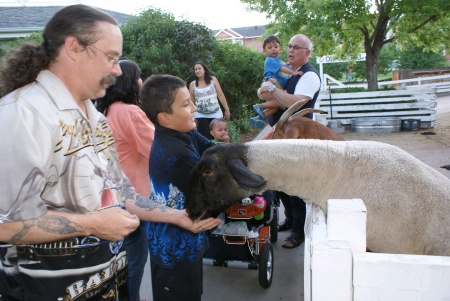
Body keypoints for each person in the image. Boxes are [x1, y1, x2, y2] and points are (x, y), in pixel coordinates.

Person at [0, 5, 141, 300]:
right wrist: (92, 224)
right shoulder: (22, 114)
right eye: (111, 57)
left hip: (102, 283)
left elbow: (120, 194)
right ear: (74, 47)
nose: (117, 69)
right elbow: (4, 224)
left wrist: (178, 215)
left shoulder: (97, 118)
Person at [139, 74, 222, 301]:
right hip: (175, 251)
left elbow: (214, 150)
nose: (194, 108)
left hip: (183, 244)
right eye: (186, 104)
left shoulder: (186, 133)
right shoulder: (177, 153)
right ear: (165, 117)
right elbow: (212, 195)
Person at [95, 59, 154, 301]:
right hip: (135, 199)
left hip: (112, 197)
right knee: (134, 266)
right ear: (130, 81)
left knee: (120, 265)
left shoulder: (106, 110)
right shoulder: (129, 112)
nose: (141, 82)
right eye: (139, 77)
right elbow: (157, 150)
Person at [258, 34, 321, 249]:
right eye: (290, 46)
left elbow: (296, 104)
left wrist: (271, 89)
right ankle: (291, 221)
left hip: (298, 137)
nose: (290, 50)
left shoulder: (310, 76)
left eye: (297, 47)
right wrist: (266, 92)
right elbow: (267, 95)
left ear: (307, 52)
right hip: (282, 135)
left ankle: (299, 231)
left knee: (295, 185)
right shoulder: (289, 72)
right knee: (282, 182)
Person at [250, 35, 302, 129]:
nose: (273, 49)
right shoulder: (270, 60)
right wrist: (293, 73)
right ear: (264, 50)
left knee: (274, 107)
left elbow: (284, 65)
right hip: (273, 82)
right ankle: (260, 106)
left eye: (276, 47)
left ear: (280, 48)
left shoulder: (277, 60)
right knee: (282, 102)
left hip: (276, 84)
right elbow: (282, 68)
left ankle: (259, 117)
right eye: (269, 47)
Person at [189, 61, 231, 138]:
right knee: (204, 137)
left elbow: (221, 95)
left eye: (199, 68)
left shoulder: (213, 80)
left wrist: (227, 110)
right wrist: (191, 116)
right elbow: (191, 102)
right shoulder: (192, 84)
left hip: (216, 113)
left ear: (204, 70)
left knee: (219, 136)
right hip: (200, 115)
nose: (197, 71)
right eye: (196, 69)